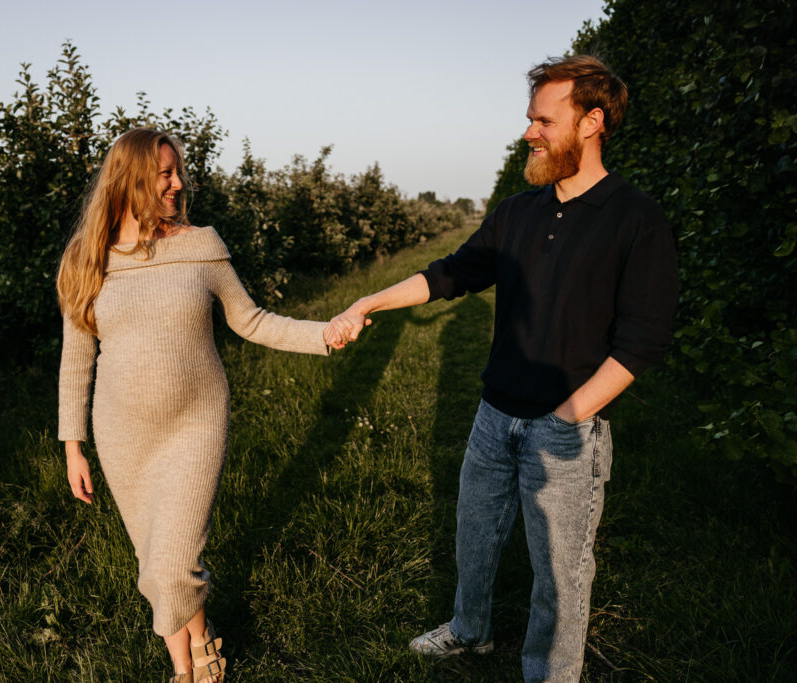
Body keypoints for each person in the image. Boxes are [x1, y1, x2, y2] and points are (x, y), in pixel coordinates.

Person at [330, 55, 678, 682]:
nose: (529, 133)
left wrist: (572, 415)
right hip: (495, 415)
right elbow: (452, 274)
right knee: (475, 536)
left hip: (568, 427)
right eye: (529, 120)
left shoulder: (635, 218)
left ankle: (551, 673)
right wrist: (367, 300)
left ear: (592, 121)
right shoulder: (517, 212)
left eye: (544, 120)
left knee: (560, 571)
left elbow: (643, 340)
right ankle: (470, 631)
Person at [57, 128, 347, 683]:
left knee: (172, 562)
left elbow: (252, 321)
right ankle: (198, 644)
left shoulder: (200, 244)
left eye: (178, 172)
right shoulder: (85, 260)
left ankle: (186, 674)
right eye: (165, 173)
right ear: (132, 177)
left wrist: (324, 336)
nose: (178, 183)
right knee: (155, 562)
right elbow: (76, 360)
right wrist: (74, 445)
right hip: (122, 435)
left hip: (195, 423)